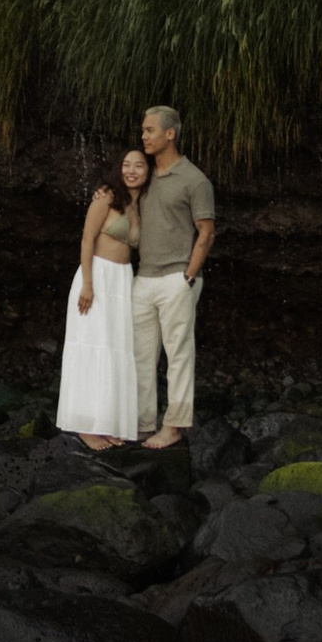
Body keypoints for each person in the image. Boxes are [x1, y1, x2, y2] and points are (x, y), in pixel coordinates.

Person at [132, 102, 213, 450]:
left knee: (178, 355)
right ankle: (141, 423)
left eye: (150, 130)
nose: (143, 136)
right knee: (140, 356)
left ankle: (174, 426)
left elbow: (206, 232)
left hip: (176, 279)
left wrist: (188, 278)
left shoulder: (195, 180)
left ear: (170, 133)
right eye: (143, 130)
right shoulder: (145, 176)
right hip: (143, 279)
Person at [58, 148, 146, 448]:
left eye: (139, 165)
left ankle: (106, 422)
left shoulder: (141, 204)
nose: (132, 170)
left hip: (123, 281)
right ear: (118, 169)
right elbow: (87, 238)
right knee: (90, 346)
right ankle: (84, 426)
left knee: (115, 349)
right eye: (126, 165)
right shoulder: (107, 195)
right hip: (97, 275)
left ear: (148, 171)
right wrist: (87, 282)